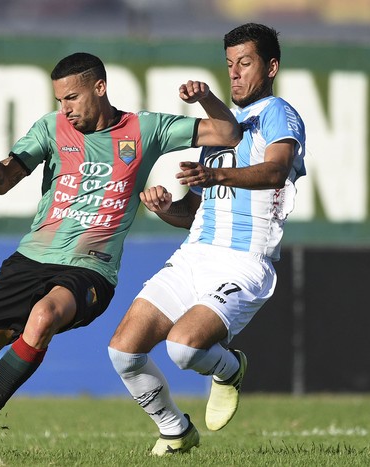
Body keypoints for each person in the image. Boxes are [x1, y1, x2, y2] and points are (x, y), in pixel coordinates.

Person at [0, 52, 241, 453]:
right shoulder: (50, 130)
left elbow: (228, 133)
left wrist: (206, 97)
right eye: (59, 100)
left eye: (72, 98)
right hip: (31, 259)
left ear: (99, 88)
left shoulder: (145, 129)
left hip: (91, 270)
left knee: (44, 315)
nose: (64, 109)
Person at [107, 23, 307, 456]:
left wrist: (216, 173)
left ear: (271, 67)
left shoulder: (278, 113)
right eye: (230, 64)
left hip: (244, 262)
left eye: (246, 63)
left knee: (183, 348)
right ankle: (175, 429)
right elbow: (195, 212)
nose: (235, 74)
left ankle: (231, 368)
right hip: (194, 256)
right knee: (123, 352)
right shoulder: (221, 131)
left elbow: (274, 171)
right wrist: (165, 209)